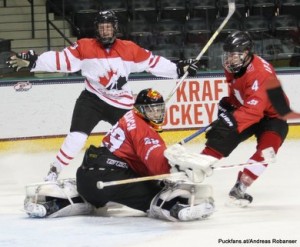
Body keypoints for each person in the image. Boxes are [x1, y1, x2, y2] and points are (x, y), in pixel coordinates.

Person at [6, 10, 197, 182]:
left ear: (115, 29)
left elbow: (153, 63)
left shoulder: (129, 48)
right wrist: (35, 62)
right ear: (96, 30)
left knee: (139, 138)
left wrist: (179, 68)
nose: (105, 31)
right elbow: (60, 60)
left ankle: (153, 169)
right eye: (101, 27)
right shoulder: (84, 47)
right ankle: (54, 171)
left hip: (121, 103)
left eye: (108, 27)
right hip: (92, 100)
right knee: (77, 137)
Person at [24, 88, 216, 222]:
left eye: (159, 109)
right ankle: (177, 209)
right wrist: (179, 168)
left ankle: (54, 204)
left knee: (90, 196)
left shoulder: (127, 116)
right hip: (112, 178)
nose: (156, 114)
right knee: (155, 194)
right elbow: (157, 168)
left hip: (87, 174)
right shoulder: (144, 130)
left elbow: (138, 162)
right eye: (151, 109)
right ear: (141, 109)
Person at [198, 31, 289, 207]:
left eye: (233, 55)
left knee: (267, 152)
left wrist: (228, 122)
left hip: (273, 116)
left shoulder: (261, 74)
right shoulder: (234, 66)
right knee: (221, 138)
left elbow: (254, 111)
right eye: (228, 54)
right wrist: (230, 103)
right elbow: (238, 91)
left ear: (246, 53)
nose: (229, 59)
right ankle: (194, 170)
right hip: (248, 108)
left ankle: (241, 186)